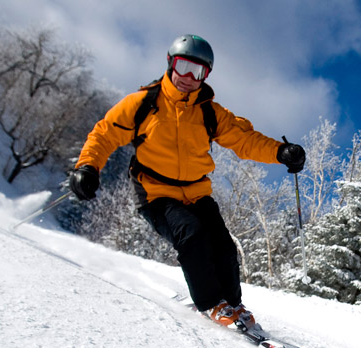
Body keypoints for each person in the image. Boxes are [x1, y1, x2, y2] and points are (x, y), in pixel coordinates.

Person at [69, 34, 306, 328]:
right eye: (182, 66)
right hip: (156, 193)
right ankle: (210, 303)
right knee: (191, 235)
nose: (187, 77)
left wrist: (280, 152)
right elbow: (104, 134)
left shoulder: (208, 112)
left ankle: (233, 303)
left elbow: (244, 139)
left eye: (197, 72)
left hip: (197, 192)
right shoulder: (144, 104)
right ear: (170, 64)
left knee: (223, 245)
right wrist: (88, 166)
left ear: (205, 75)